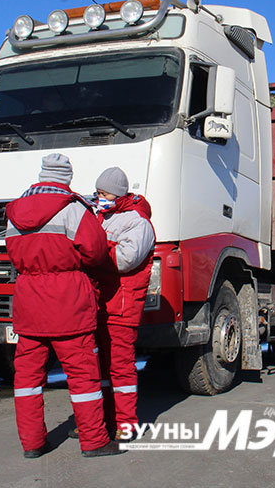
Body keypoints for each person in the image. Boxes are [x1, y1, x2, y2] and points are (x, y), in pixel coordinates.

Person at [5, 153, 123, 458]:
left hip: (29, 303)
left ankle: (32, 444)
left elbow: (12, 254)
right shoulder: (73, 209)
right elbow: (95, 253)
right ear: (66, 178)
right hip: (68, 303)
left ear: (42, 175)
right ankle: (94, 441)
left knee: (27, 379)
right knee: (83, 376)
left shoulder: (14, 210)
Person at [70, 167, 155, 442]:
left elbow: (125, 259)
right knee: (100, 368)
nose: (99, 198)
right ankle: (103, 422)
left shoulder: (138, 222)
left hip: (122, 307)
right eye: (98, 193)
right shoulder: (103, 217)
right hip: (101, 305)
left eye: (104, 193)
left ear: (118, 194)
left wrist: (94, 250)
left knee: (121, 368)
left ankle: (126, 424)